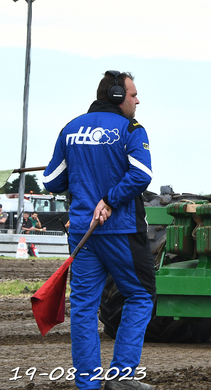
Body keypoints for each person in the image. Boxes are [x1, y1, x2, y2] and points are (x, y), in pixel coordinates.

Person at [43, 71, 155, 390]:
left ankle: (88, 384)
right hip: (122, 231)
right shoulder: (131, 129)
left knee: (83, 307)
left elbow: (52, 182)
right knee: (140, 295)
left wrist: (80, 172)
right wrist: (109, 198)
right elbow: (141, 175)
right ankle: (121, 377)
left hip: (83, 234)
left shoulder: (70, 129)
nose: (137, 100)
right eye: (133, 94)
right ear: (117, 96)